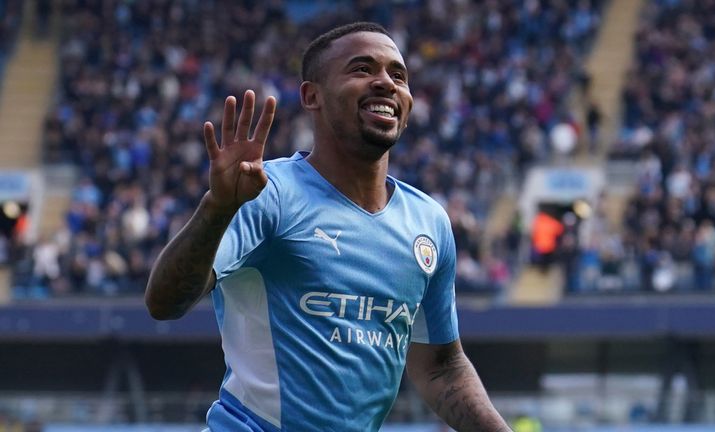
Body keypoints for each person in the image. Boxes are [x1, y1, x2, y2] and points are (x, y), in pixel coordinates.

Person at [145, 22, 510, 432]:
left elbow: (441, 368)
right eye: (362, 69)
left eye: (399, 75)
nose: (386, 83)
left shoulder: (429, 223)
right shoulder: (266, 193)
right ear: (311, 95)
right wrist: (216, 210)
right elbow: (164, 303)